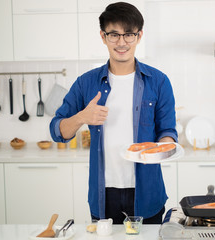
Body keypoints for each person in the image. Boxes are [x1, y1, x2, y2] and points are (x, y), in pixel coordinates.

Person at [49, 2, 177, 224]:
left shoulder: (158, 82)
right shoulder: (86, 83)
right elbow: (57, 131)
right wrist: (81, 117)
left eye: (128, 34)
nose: (121, 42)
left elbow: (167, 131)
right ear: (103, 36)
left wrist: (162, 147)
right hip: (103, 195)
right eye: (113, 35)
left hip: (147, 192)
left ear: (139, 36)